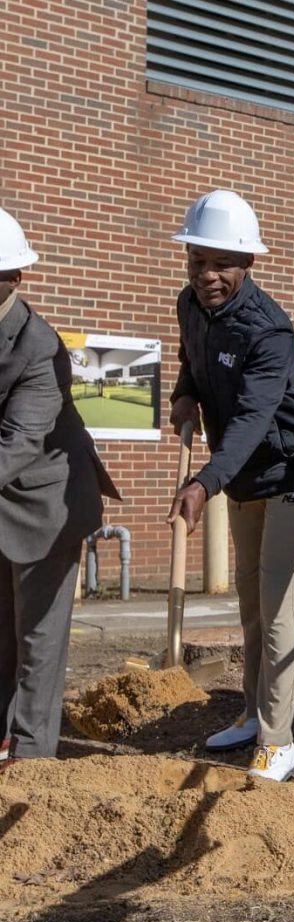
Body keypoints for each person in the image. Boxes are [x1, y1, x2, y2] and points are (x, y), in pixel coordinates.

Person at [166, 189, 294, 781]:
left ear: (248, 264)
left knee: (278, 600)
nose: (207, 275)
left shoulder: (270, 331)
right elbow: (195, 356)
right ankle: (252, 714)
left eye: (221, 264)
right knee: (249, 596)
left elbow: (251, 420)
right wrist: (187, 390)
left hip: (289, 467)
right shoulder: (191, 303)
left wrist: (204, 482)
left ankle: (280, 740)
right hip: (239, 474)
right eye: (197, 262)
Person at [0, 206, 119, 766]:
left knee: (37, 642)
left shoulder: (40, 348)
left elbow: (17, 441)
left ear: (14, 280)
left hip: (47, 502)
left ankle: (31, 764)